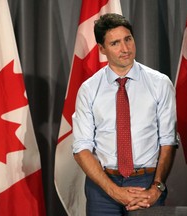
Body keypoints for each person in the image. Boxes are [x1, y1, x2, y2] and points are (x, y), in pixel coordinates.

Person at [72, 13, 177, 216]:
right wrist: (115, 191)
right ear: (102, 49)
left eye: (128, 39)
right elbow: (81, 148)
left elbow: (168, 141)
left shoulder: (160, 83)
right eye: (115, 43)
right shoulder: (89, 89)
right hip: (102, 185)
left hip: (147, 182)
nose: (125, 49)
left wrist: (157, 187)